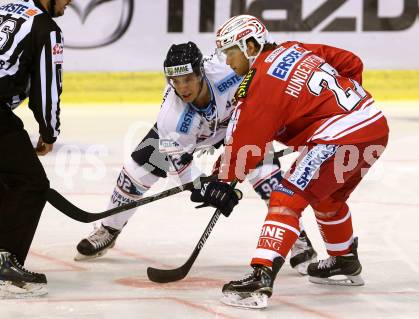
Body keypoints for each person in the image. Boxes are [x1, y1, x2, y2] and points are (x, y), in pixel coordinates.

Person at [190, 15, 389, 308]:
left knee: (287, 196)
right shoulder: (295, 48)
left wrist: (222, 180)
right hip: (374, 127)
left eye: (230, 52)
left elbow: (246, 142)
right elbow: (351, 62)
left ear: (249, 45)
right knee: (327, 197)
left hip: (341, 135)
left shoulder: (260, 82)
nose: (227, 61)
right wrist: (336, 110)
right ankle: (343, 259)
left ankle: (261, 275)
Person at [73, 41, 318, 268]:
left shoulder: (227, 71)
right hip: (190, 136)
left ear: (201, 72)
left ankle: (297, 237)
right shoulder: (171, 117)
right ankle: (109, 229)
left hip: (239, 125)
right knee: (136, 173)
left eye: (188, 79)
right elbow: (181, 168)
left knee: (268, 178)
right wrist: (205, 188)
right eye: (175, 81)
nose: (182, 88)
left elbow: (268, 72)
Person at [0, 0, 71, 298]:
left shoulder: (3, 6)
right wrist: (49, 133)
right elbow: (47, 89)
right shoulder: (45, 28)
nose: (70, 2)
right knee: (31, 183)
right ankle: (5, 265)